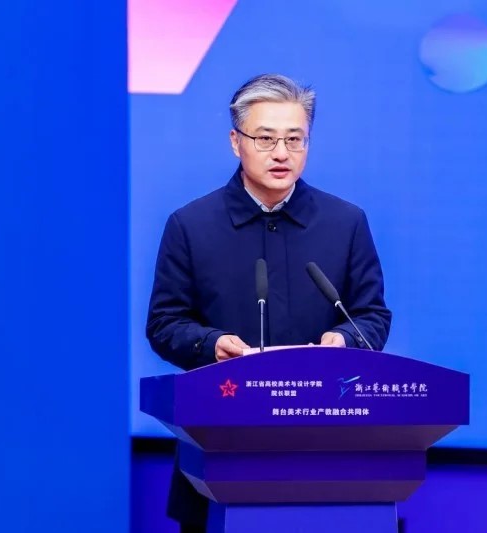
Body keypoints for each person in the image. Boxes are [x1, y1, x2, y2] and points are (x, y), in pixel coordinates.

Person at [146, 73, 392, 532]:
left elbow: (371, 315)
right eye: (265, 139)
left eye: (294, 139)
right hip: (220, 448)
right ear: (235, 142)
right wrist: (213, 344)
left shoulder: (346, 223)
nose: (281, 153)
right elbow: (164, 323)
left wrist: (344, 340)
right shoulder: (191, 225)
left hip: (328, 449)